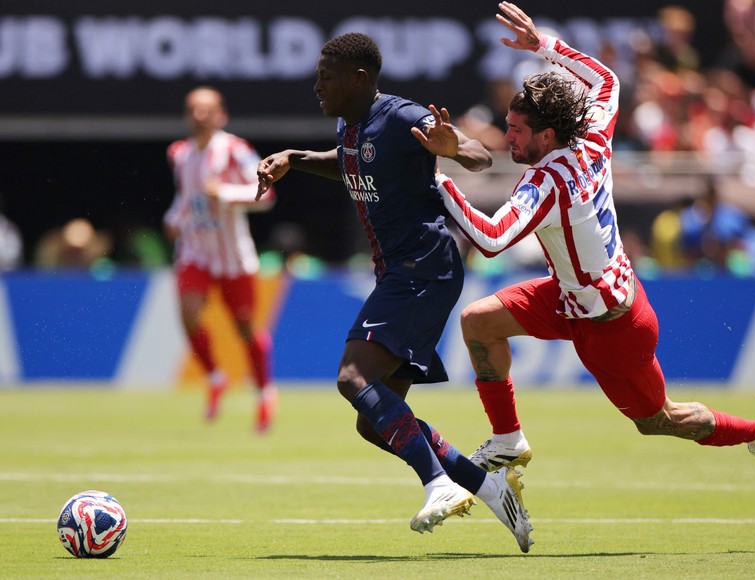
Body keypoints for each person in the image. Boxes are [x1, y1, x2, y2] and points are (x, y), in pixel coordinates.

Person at [433, 2, 755, 474]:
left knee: (659, 419)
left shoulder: (545, 183)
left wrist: (436, 180)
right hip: (577, 296)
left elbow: (493, 239)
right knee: (479, 321)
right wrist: (544, 45)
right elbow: (608, 81)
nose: (508, 137)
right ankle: (507, 439)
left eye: (518, 131)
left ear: (548, 134)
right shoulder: (593, 138)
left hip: (612, 327)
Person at [255, 32, 533, 551]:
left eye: (326, 75)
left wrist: (457, 149)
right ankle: (488, 486)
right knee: (374, 422)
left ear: (359, 79)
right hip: (404, 271)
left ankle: (438, 485)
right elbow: (349, 162)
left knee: (352, 376)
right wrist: (294, 157)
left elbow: (478, 156)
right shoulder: (350, 125)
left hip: (422, 265)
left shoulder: (403, 117)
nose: (317, 84)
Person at [163, 86, 277, 433]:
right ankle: (215, 376)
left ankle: (263, 393)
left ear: (221, 114)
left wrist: (225, 194)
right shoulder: (179, 153)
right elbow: (187, 198)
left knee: (244, 327)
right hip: (195, 252)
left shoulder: (235, 150)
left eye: (206, 109)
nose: (199, 115)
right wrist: (174, 218)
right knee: (188, 314)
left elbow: (267, 193)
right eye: (193, 109)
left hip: (233, 256)